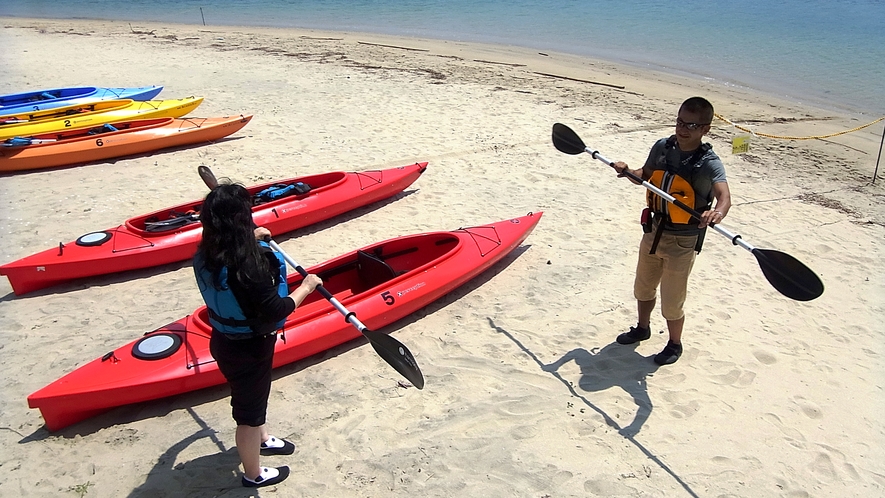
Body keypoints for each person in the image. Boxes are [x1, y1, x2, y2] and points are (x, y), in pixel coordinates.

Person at [194, 183, 322, 488]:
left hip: (224, 341)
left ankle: (262, 439)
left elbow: (231, 253)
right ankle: (253, 475)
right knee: (247, 415)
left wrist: (251, 237)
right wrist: (307, 286)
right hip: (248, 349)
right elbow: (276, 309)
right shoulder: (249, 266)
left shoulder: (206, 250)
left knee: (254, 399)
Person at [611, 96, 731, 365]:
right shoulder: (662, 147)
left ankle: (674, 344)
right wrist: (628, 171)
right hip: (653, 230)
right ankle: (642, 328)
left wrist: (717, 213)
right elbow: (645, 174)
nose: (683, 129)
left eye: (691, 124)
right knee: (643, 287)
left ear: (705, 129)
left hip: (683, 240)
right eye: (679, 121)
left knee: (672, 300)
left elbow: (724, 196)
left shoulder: (709, 162)